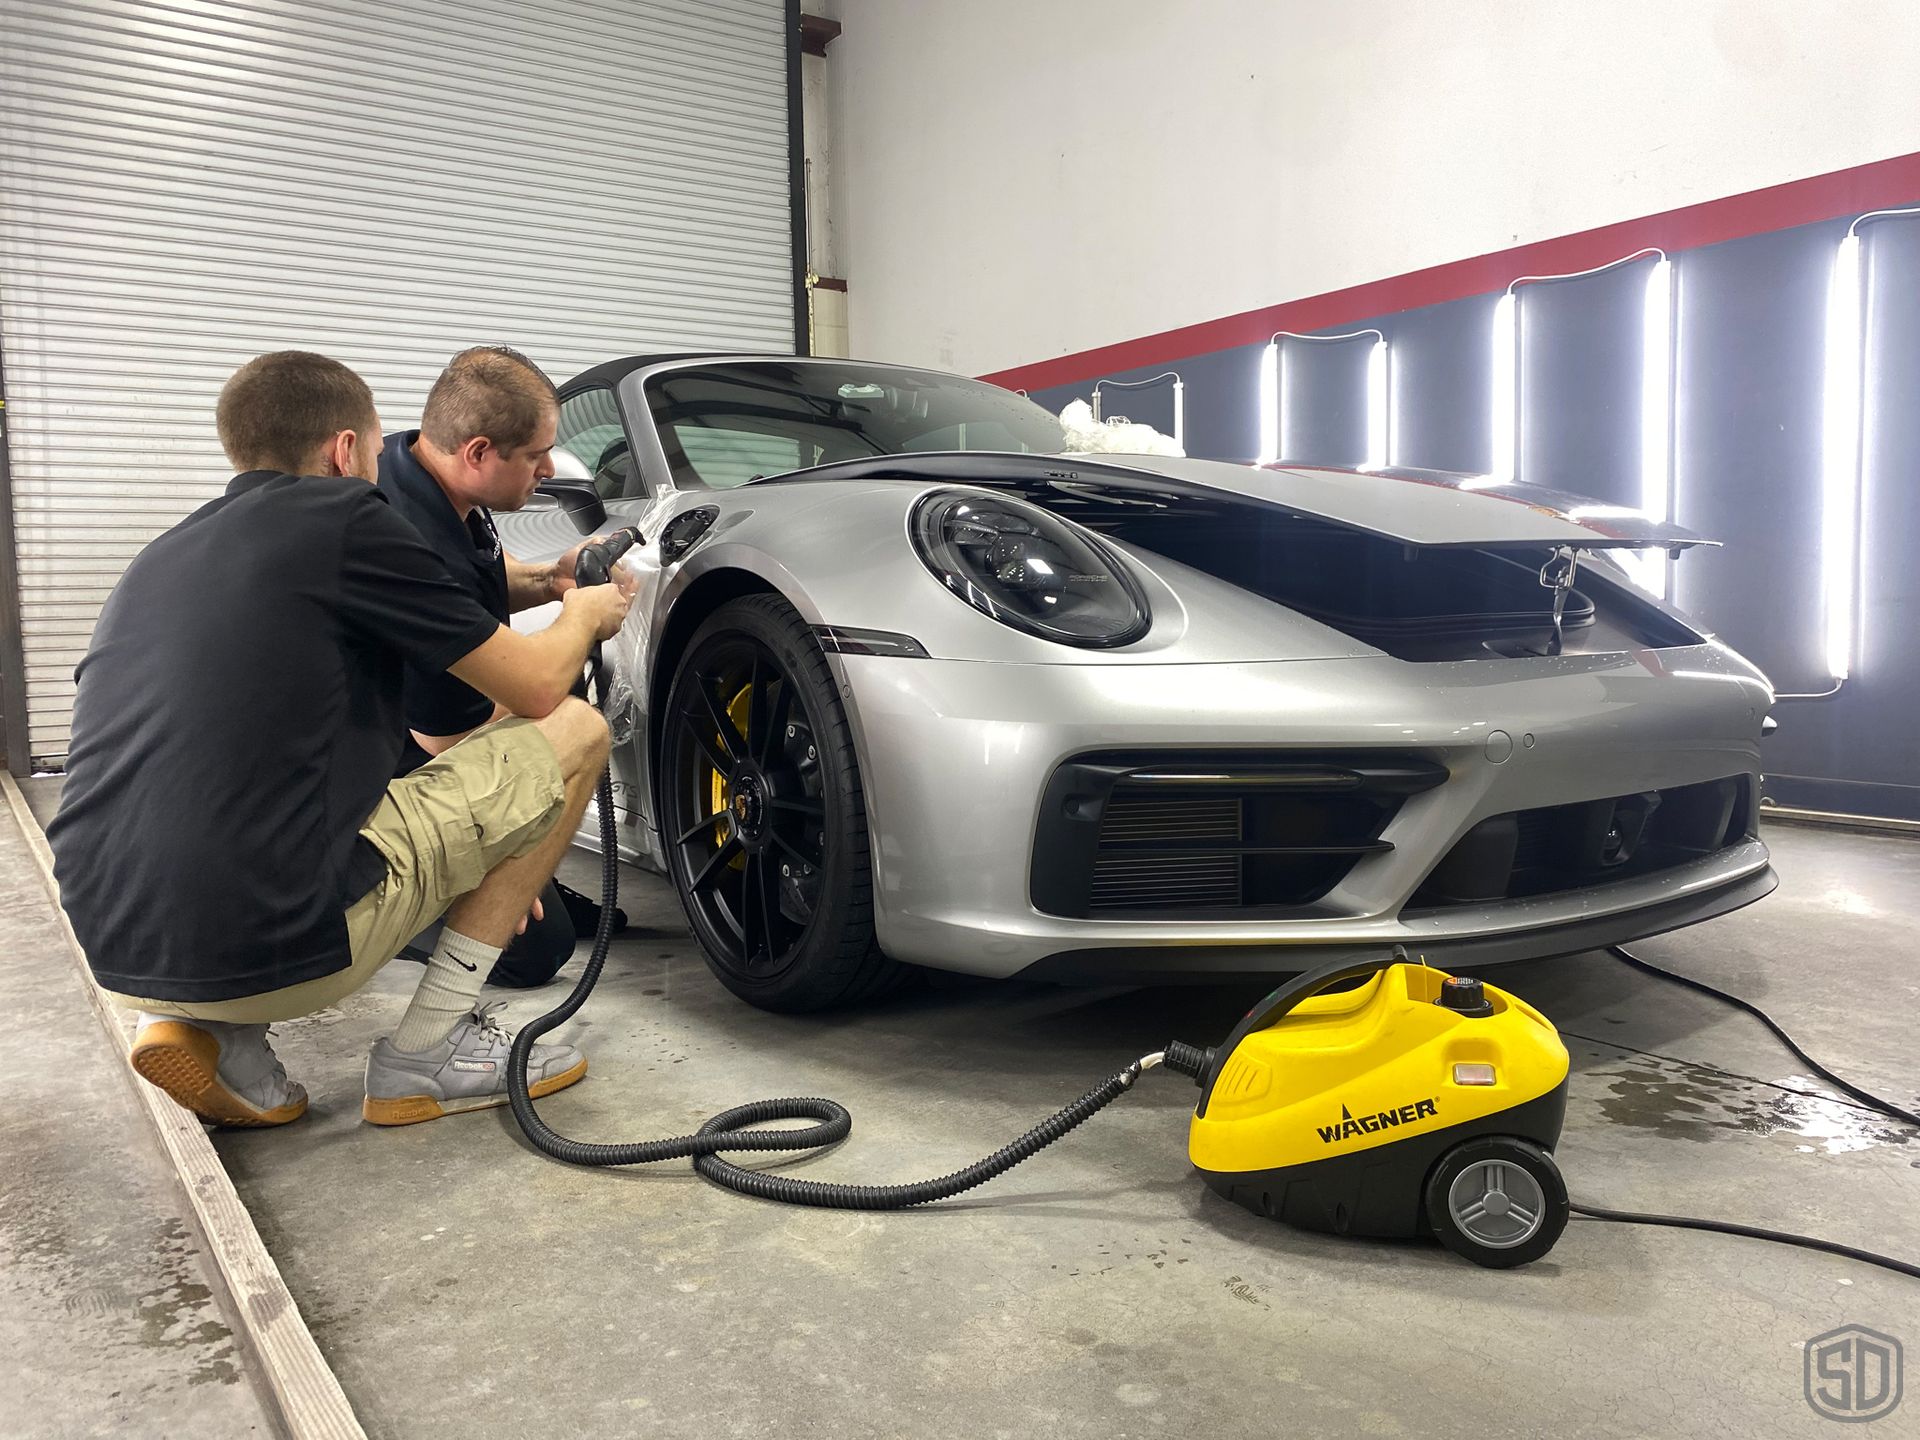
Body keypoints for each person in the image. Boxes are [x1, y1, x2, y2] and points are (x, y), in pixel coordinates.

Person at [48, 351, 635, 1128]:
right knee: (577, 728)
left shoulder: (165, 553)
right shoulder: (350, 516)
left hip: (112, 938)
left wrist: (546, 583)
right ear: (344, 450)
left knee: (252, 793)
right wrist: (586, 615)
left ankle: (224, 1037)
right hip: (286, 939)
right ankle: (426, 1053)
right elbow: (532, 688)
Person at [376, 345, 619, 989]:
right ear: (479, 453)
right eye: (536, 454)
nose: (548, 468)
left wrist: (551, 579)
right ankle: (395, 915)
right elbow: (452, 740)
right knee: (535, 950)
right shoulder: (406, 538)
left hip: (375, 748)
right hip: (375, 776)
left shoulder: (412, 468)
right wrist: (580, 624)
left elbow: (475, 581)